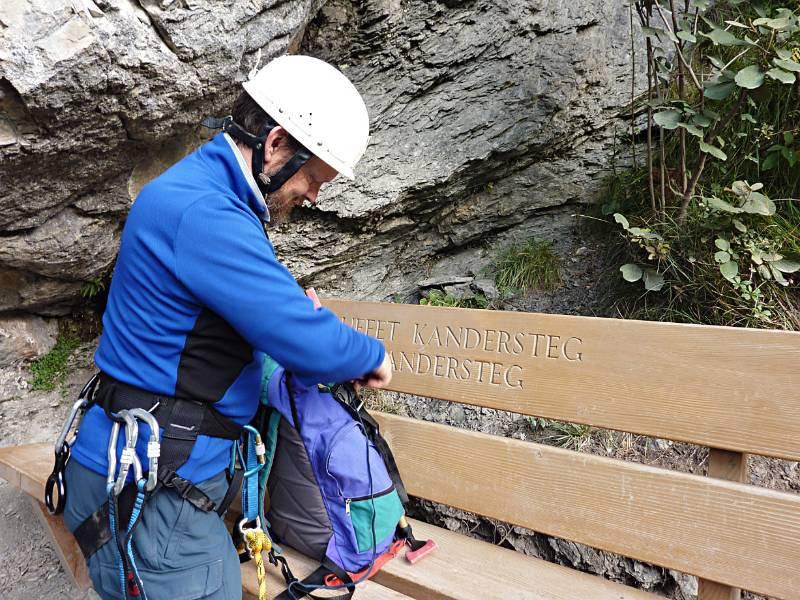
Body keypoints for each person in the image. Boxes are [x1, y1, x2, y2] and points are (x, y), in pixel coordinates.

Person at [63, 54, 392, 599]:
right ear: (277, 143)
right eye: (314, 177)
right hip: (158, 496)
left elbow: (230, 316)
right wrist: (371, 355)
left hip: (138, 468)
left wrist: (285, 308)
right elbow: (301, 339)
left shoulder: (200, 194)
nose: (313, 195)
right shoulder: (206, 212)